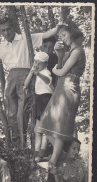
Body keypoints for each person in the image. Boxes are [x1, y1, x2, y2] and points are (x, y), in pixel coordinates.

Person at [0, 16, 60, 148]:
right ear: (0, 32)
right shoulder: (1, 47)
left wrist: (60, 27)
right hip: (11, 77)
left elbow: (46, 34)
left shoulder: (24, 38)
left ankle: (24, 144)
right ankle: (17, 144)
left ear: (13, 28)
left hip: (25, 74)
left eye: (8, 29)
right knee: (11, 111)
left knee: (22, 110)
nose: (6, 33)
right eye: (3, 30)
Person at [37, 21, 86, 169]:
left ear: (72, 32)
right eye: (60, 36)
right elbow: (60, 67)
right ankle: (59, 157)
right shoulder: (68, 51)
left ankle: (52, 163)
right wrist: (59, 56)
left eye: (64, 34)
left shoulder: (78, 51)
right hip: (60, 88)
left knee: (58, 131)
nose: (62, 38)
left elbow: (61, 72)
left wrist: (52, 69)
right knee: (46, 125)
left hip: (69, 89)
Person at [24, 52, 54, 162]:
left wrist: (38, 74)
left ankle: (41, 153)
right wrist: (32, 72)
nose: (36, 64)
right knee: (37, 129)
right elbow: (26, 84)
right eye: (35, 62)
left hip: (46, 98)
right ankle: (37, 153)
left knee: (44, 128)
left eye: (39, 63)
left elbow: (48, 81)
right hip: (38, 99)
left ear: (45, 64)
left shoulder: (46, 72)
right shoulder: (36, 72)